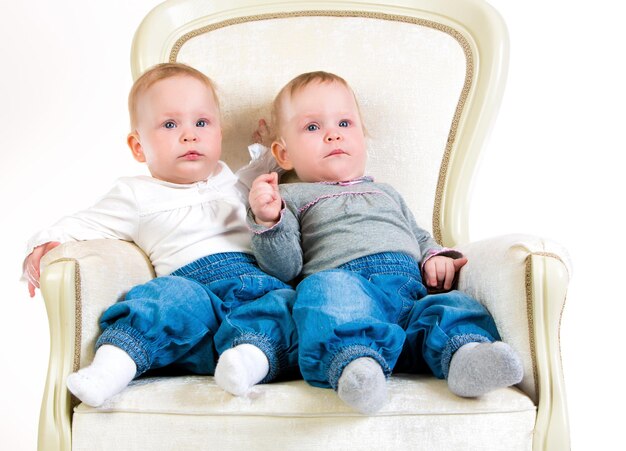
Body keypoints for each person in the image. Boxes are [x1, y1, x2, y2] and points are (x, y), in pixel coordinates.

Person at [247, 71, 523, 414]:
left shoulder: (386, 192)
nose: (333, 134)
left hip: (409, 293)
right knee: (324, 292)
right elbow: (283, 267)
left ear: (363, 137)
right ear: (283, 154)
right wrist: (269, 220)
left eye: (345, 123)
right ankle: (356, 366)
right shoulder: (290, 196)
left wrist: (436, 256)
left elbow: (418, 235)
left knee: (452, 306)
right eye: (313, 128)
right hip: (349, 293)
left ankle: (465, 356)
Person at [23, 63, 298, 406]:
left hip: (256, 289)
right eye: (170, 125)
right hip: (191, 308)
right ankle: (112, 367)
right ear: (138, 147)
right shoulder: (135, 195)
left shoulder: (236, 181)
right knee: (164, 298)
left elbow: (275, 163)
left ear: (219, 133)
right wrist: (43, 244)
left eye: (202, 123)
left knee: (286, 306)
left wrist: (271, 143)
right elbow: (82, 223)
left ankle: (247, 361)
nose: (190, 135)